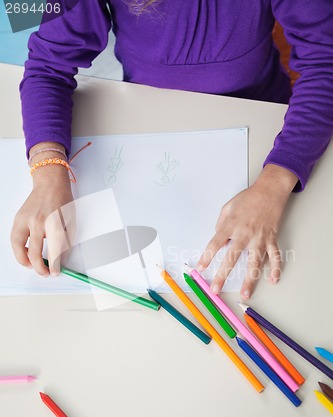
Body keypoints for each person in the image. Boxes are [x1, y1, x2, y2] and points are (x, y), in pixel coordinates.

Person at [11, 0, 333, 298]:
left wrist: (276, 181)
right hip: (148, 128)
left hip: (268, 127)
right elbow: (47, 67)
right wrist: (48, 171)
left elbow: (326, 61)